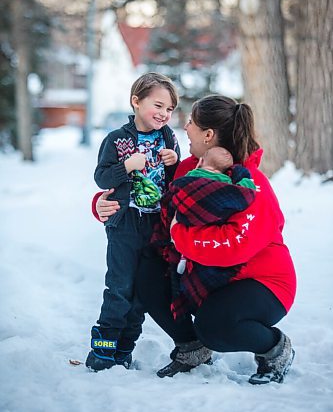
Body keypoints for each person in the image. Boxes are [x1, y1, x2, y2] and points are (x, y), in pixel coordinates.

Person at [93, 95, 297, 385]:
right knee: (148, 271)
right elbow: (149, 198)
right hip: (211, 279)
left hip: (262, 283)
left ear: (208, 134)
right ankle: (191, 347)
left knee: (214, 327)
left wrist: (180, 233)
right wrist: (101, 205)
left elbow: (232, 247)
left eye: (190, 122)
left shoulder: (250, 185)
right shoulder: (188, 168)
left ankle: (274, 348)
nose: (185, 127)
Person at [86, 72, 180, 372]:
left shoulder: (168, 139)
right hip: (125, 223)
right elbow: (101, 177)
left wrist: (174, 162)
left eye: (170, 109)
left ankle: (125, 348)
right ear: (136, 101)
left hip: (155, 227)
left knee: (140, 293)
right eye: (159, 105)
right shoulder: (116, 139)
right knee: (119, 287)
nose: (164, 114)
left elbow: (175, 185)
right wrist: (127, 165)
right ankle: (102, 350)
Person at [150, 146, 257, 323]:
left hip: (185, 219)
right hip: (210, 222)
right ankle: (186, 260)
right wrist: (243, 174)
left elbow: (174, 194)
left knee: (182, 225)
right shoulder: (226, 183)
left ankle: (182, 258)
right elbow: (247, 191)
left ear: (200, 161)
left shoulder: (191, 176)